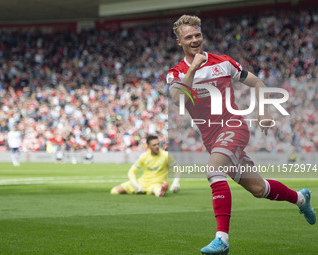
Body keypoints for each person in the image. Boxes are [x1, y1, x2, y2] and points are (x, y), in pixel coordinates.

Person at [167, 15, 316, 254]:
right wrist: (193, 68)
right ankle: (300, 198)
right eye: (189, 37)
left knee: (213, 169)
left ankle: (222, 240)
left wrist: (264, 110)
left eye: (198, 35)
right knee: (258, 189)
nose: (195, 40)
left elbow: (257, 83)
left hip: (234, 127)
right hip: (211, 138)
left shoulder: (224, 63)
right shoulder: (176, 73)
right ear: (179, 42)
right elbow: (178, 99)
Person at [110, 135, 180, 197]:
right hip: (141, 183)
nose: (157, 147)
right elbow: (131, 172)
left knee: (158, 191)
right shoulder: (144, 156)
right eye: (154, 145)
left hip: (156, 184)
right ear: (148, 146)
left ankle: (161, 190)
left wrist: (175, 182)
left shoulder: (166, 155)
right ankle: (141, 190)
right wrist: (135, 185)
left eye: (158, 144)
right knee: (114, 191)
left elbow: (178, 169)